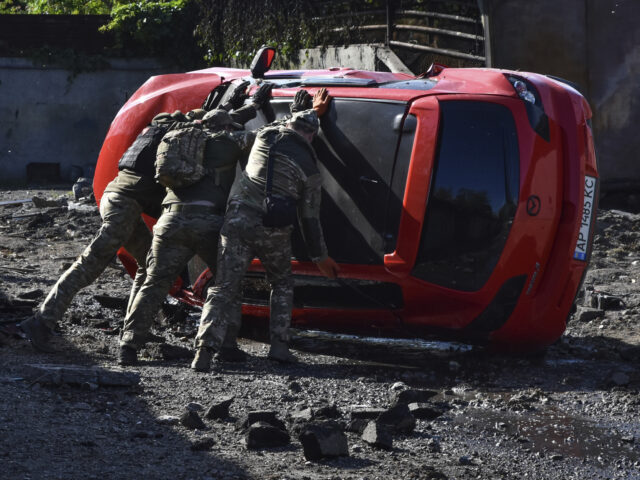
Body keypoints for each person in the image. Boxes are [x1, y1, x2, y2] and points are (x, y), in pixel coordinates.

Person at [20, 110, 203, 352]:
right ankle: (42, 322)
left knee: (149, 264)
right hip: (124, 207)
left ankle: (135, 330)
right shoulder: (172, 142)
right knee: (90, 264)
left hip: (115, 199)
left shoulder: (153, 133)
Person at [117, 84, 274, 366]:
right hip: (207, 222)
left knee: (154, 282)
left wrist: (242, 109)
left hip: (169, 222)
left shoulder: (184, 138)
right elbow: (267, 138)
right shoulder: (231, 142)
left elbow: (224, 121)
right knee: (226, 283)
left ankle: (128, 344)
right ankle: (225, 345)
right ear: (228, 127)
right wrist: (280, 111)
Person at [192, 88, 339, 372]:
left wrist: (307, 111)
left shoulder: (265, 136)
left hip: (238, 222)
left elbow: (283, 123)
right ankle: (280, 347)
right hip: (274, 229)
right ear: (311, 137)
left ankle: (204, 351)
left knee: (223, 286)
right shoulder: (311, 171)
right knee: (281, 283)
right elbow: (310, 219)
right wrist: (320, 257)